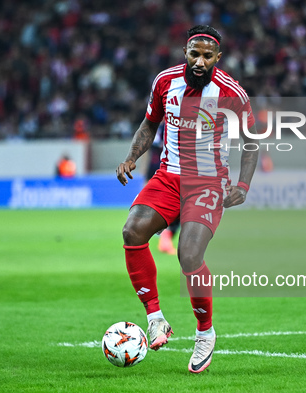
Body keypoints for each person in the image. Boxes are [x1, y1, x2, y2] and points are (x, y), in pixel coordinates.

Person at [116, 25, 258, 373]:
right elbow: (149, 124)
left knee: (189, 254)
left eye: (207, 56)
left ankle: (205, 333)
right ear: (185, 53)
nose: (199, 61)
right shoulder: (165, 82)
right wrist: (133, 156)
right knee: (132, 231)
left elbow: (252, 141)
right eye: (194, 54)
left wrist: (243, 184)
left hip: (208, 182)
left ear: (217, 59)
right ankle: (155, 319)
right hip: (168, 176)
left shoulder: (231, 92)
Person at [146, 123, 180, 255]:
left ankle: (163, 235)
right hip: (167, 169)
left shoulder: (162, 127)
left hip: (163, 168)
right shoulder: (166, 127)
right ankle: (164, 236)